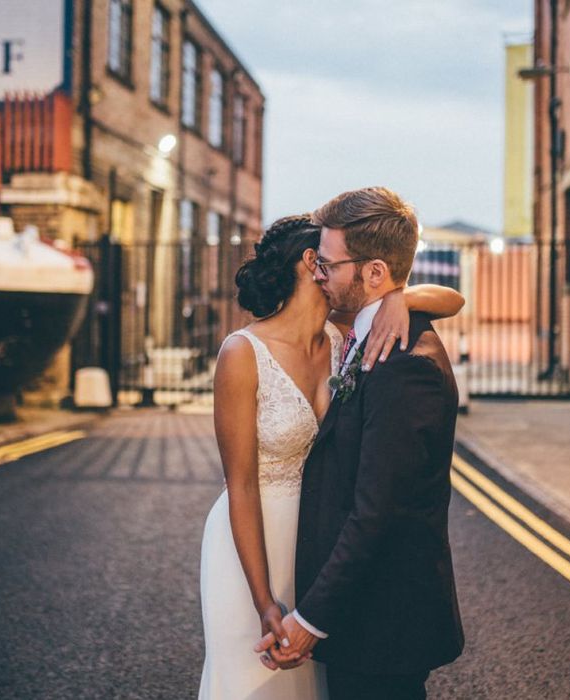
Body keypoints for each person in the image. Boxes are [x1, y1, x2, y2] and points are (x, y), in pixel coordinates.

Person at [198, 212, 464, 699]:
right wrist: (264, 602)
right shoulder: (242, 352)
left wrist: (402, 298)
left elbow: (453, 298)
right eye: (324, 260)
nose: (328, 269)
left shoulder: (347, 335)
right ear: (311, 264)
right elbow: (240, 484)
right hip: (256, 543)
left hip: (324, 549)